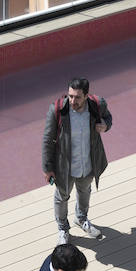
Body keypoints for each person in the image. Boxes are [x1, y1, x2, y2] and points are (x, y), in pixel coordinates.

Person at [43, 77, 112, 244]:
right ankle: (63, 229)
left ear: (86, 96)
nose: (72, 100)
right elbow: (47, 139)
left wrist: (105, 125)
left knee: (85, 191)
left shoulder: (97, 105)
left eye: (77, 97)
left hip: (89, 163)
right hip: (64, 167)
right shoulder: (58, 110)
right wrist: (47, 168)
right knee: (62, 196)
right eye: (70, 96)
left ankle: (81, 219)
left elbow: (108, 118)